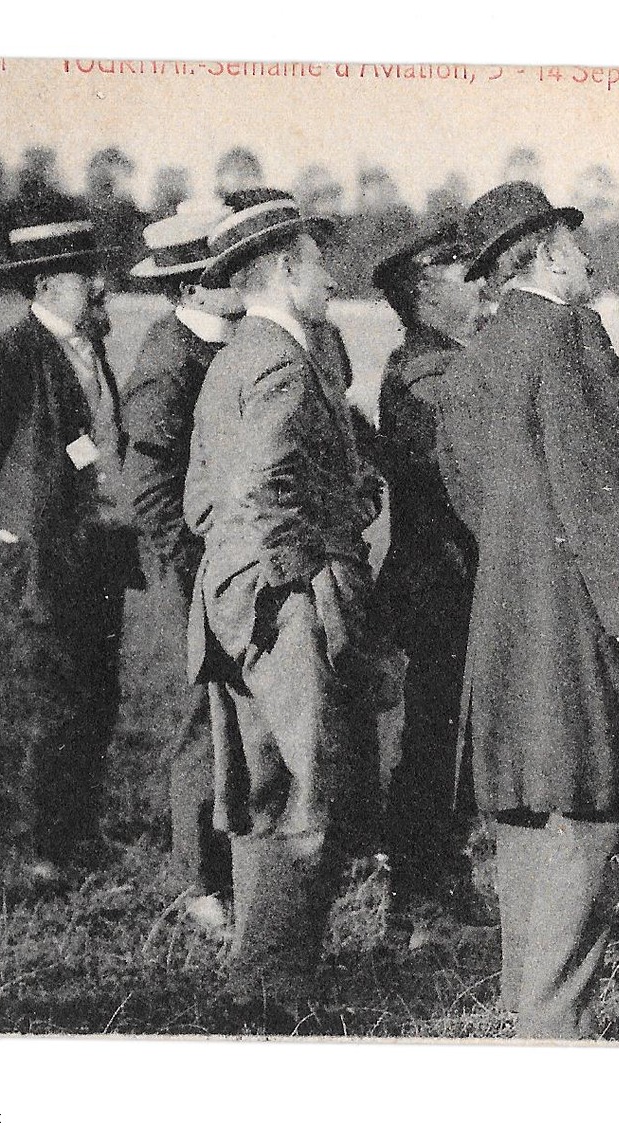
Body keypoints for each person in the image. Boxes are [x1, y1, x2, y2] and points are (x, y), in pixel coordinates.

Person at [436, 181, 619, 1039]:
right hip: (582, 612)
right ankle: (553, 1030)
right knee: (588, 807)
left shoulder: (476, 350)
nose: (585, 254)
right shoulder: (569, 333)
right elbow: (593, 480)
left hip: (509, 608)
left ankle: (528, 1007)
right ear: (549, 252)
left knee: (530, 807)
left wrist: (526, 560)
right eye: (573, 239)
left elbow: (465, 489)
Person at [184, 189, 394, 1015]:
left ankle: (261, 977)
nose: (330, 276)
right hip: (281, 602)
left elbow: (206, 501)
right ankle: (277, 989)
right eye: (319, 261)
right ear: (282, 269)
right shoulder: (276, 357)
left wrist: (342, 500)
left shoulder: (242, 353)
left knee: (265, 790)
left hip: (244, 596)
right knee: (304, 793)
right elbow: (255, 489)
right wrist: (308, 582)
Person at [0, 212, 140, 889]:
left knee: (98, 695)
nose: (98, 286)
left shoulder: (89, 348)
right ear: (47, 286)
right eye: (84, 277)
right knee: (60, 700)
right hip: (43, 561)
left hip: (98, 552)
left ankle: (81, 833)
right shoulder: (6, 358)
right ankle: (48, 850)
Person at [123, 200, 244, 939]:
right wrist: (197, 572)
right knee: (203, 716)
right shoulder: (170, 364)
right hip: (194, 573)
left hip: (219, 565)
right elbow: (151, 492)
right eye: (229, 270)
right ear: (195, 288)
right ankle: (200, 883)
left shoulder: (219, 345)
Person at [368, 224, 493, 945]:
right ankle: (417, 897)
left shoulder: (443, 361)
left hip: (455, 580)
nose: (475, 281)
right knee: (436, 747)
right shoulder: (424, 371)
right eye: (457, 272)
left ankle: (442, 882)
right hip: (440, 584)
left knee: (453, 743)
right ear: (422, 292)